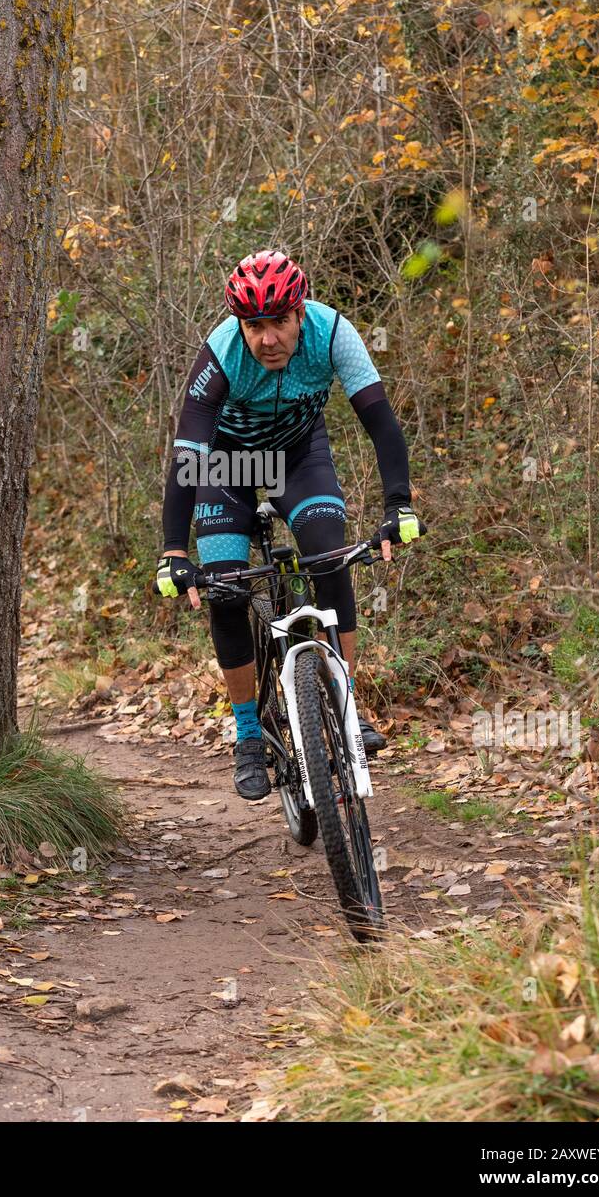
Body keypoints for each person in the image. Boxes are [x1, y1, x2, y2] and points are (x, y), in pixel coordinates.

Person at [155, 249, 420, 801]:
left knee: (329, 553)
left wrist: (399, 504)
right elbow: (188, 456)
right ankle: (249, 735)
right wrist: (175, 552)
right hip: (226, 464)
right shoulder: (222, 353)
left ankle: (344, 699)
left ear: (300, 313)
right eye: (255, 326)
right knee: (226, 587)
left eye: (278, 322)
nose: (268, 338)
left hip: (298, 458)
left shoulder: (333, 333)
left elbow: (380, 421)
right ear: (239, 326)